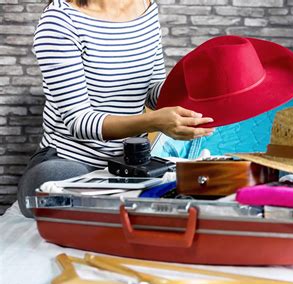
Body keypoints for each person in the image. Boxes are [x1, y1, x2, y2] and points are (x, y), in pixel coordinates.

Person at [17, 0, 214, 217]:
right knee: (51, 180)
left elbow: (152, 91)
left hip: (131, 164)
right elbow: (79, 122)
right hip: (70, 161)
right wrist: (155, 121)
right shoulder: (60, 21)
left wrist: (192, 86)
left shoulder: (146, 7)